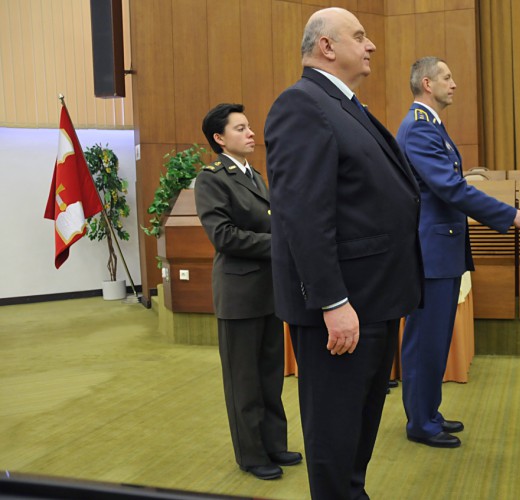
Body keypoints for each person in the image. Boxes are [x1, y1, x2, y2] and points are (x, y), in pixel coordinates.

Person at [263, 8, 424, 499]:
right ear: (327, 47)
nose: (371, 44)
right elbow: (304, 216)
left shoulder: (342, 103)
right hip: (344, 307)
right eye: (359, 36)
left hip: (373, 299)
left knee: (360, 427)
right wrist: (333, 302)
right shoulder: (301, 104)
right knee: (335, 432)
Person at [396, 56, 520, 449]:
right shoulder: (420, 129)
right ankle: (420, 423)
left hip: (441, 249)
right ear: (427, 83)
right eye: (447, 76)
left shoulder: (431, 128)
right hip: (430, 252)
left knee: (436, 336)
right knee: (426, 338)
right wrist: (512, 216)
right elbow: (452, 189)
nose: (453, 83)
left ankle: (428, 411)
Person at [194, 103, 302, 480]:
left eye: (250, 126)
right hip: (239, 295)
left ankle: (274, 444)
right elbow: (223, 236)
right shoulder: (211, 179)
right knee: (244, 382)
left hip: (269, 292)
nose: (251, 133)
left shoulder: (255, 176)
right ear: (220, 138)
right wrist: (280, 244)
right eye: (241, 128)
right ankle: (252, 455)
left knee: (270, 376)